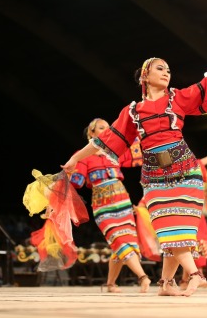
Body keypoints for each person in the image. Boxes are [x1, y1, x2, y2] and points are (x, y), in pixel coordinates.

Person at [61, 36, 207, 296]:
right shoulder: (133, 112)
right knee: (167, 227)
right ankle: (193, 274)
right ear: (145, 75)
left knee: (176, 228)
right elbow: (104, 141)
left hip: (185, 170)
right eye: (160, 68)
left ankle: (168, 283)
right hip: (154, 177)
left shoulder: (177, 99)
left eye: (168, 69)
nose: (167, 72)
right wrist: (76, 159)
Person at [69, 118, 151, 293]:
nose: (107, 130)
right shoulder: (83, 155)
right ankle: (143, 277)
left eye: (108, 128)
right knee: (119, 239)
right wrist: (70, 171)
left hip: (122, 199)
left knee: (126, 240)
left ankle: (110, 284)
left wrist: (139, 134)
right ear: (92, 133)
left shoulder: (115, 152)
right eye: (101, 128)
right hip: (102, 203)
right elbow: (77, 182)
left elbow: (137, 154)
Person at [179, 145, 207, 290]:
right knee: (195, 239)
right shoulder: (179, 169)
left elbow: (201, 162)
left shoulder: (194, 165)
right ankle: (196, 275)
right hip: (186, 209)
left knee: (196, 240)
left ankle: (186, 279)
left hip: (195, 210)